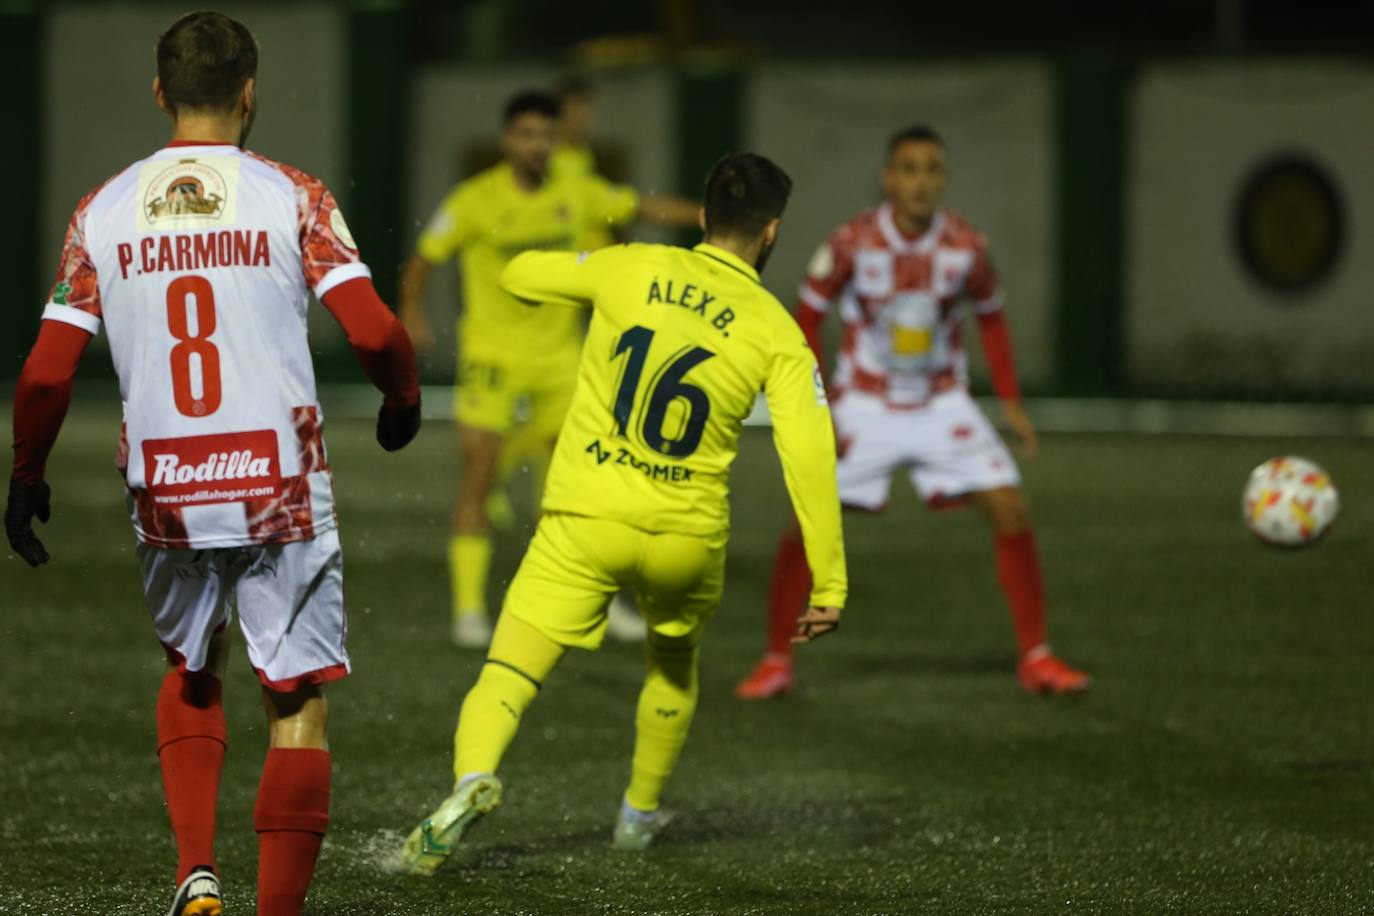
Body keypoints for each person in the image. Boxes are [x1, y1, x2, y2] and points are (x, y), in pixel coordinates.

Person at [3, 12, 420, 916]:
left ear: (160, 94)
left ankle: (196, 874)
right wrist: (403, 399)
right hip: (276, 484)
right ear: (250, 93)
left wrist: (26, 474)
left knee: (193, 668)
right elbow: (378, 330)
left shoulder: (102, 209)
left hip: (168, 488)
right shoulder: (293, 195)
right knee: (296, 700)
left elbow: (44, 371)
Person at [399, 152, 847, 871]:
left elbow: (519, 275)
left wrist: (586, 265)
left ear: (702, 217)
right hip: (685, 536)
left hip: (586, 519)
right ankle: (637, 816)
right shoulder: (778, 331)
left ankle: (473, 778)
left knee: (508, 672)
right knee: (672, 665)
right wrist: (830, 582)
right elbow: (811, 456)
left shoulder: (630, 267)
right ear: (770, 232)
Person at [735, 125, 1090, 700]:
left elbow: (992, 317)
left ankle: (1037, 657)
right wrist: (817, 401)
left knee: (1010, 506)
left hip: (939, 401)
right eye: (908, 168)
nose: (920, 181)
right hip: (865, 401)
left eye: (931, 169)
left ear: (944, 178)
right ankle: (776, 661)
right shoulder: (851, 242)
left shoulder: (966, 247)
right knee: (806, 523)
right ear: (888, 177)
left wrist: (1010, 401)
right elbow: (806, 319)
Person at [398, 90, 699, 649]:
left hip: (561, 359)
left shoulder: (577, 191)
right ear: (508, 139)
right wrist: (412, 309)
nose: (537, 146)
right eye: (527, 135)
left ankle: (595, 605)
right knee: (480, 471)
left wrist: (707, 217)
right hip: (492, 357)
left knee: (575, 490)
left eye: (547, 136)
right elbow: (424, 256)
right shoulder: (474, 199)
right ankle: (468, 611)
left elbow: (641, 207)